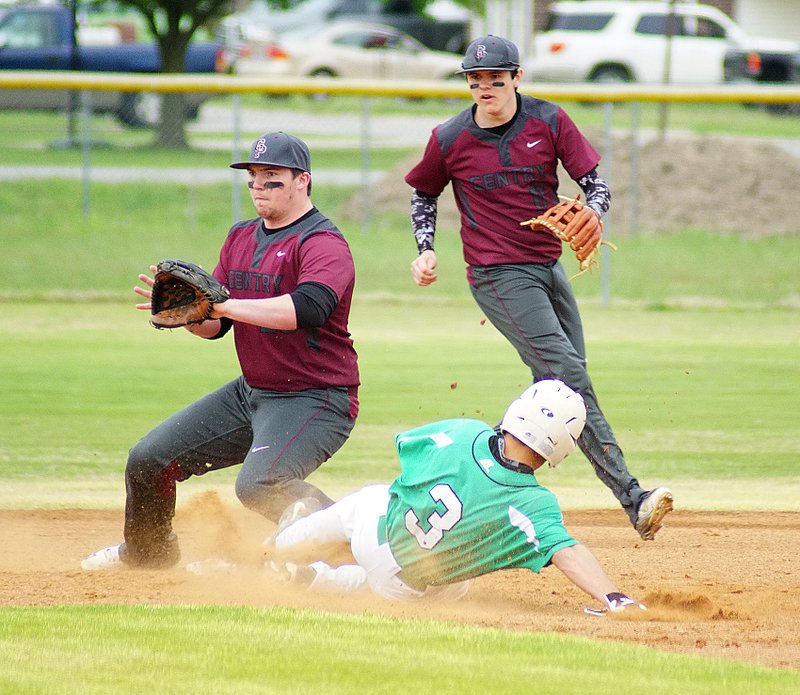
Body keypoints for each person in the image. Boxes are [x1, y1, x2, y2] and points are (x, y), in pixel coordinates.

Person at [403, 34, 672, 540]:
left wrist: (593, 210)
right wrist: (425, 247)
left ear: (517, 78)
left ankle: (489, 483)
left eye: (496, 79)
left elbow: (595, 182)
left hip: (547, 270)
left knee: (560, 385)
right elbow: (423, 192)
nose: (485, 87)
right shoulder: (450, 138)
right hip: (496, 274)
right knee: (567, 376)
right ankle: (632, 496)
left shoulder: (548, 121)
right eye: (476, 79)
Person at [82, 132, 360, 570]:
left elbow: (307, 307)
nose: (258, 187)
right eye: (253, 177)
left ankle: (363, 548)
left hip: (317, 396)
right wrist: (188, 315)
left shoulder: (322, 242)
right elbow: (217, 326)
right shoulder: (241, 237)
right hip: (252, 392)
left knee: (261, 484)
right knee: (149, 460)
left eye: (272, 177)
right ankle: (147, 555)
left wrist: (221, 305)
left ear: (303, 180)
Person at [267, 380, 647, 615]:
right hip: (402, 584)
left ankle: (282, 545)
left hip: (375, 530)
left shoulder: (465, 432)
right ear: (563, 445)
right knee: (449, 586)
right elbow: (568, 552)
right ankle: (315, 579)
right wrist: (613, 596)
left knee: (371, 498)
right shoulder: (533, 505)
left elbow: (407, 447)